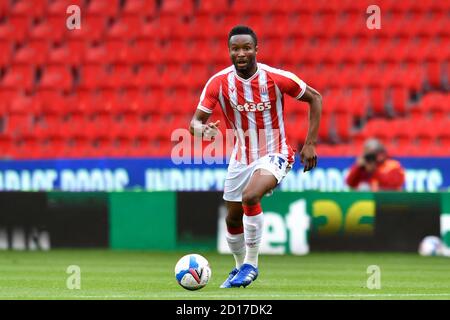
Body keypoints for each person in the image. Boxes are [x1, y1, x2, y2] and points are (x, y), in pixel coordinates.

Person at [188, 26, 322, 288]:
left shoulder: (275, 78)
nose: (241, 53)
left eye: (246, 48)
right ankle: (239, 269)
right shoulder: (218, 82)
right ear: (229, 51)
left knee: (251, 196)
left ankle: (251, 264)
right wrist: (202, 130)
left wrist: (310, 143)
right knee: (232, 218)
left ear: (256, 50)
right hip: (241, 157)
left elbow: (315, 98)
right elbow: (194, 122)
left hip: (276, 151)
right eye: (235, 49)